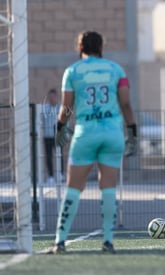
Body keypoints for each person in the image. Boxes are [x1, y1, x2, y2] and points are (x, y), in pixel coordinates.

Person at [47, 31, 137, 254]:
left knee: (73, 188)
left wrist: (60, 127)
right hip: (112, 133)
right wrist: (132, 131)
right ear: (101, 47)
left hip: (86, 133)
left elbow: (66, 106)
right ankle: (107, 240)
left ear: (80, 47)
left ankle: (60, 241)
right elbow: (125, 103)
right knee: (108, 187)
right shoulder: (116, 69)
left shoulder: (73, 71)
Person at [41, 88, 64, 184]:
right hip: (48, 136)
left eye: (53, 96)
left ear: (56, 97)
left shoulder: (61, 107)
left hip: (58, 136)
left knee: (60, 155)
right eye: (50, 96)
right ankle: (51, 176)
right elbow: (40, 121)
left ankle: (61, 174)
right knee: (48, 156)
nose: (51, 98)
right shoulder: (45, 108)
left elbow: (65, 121)